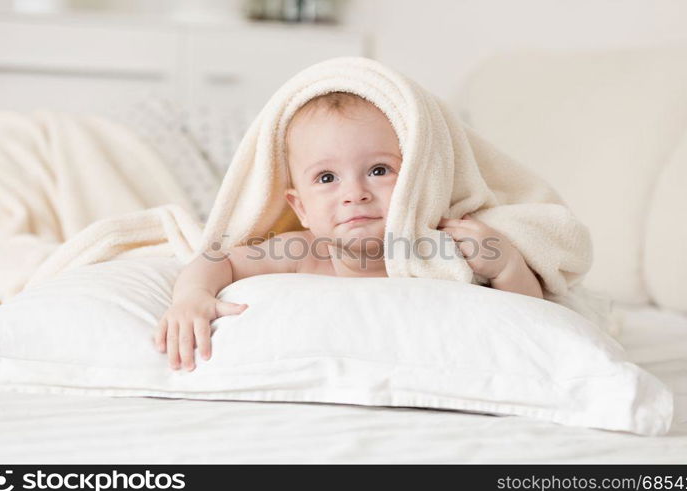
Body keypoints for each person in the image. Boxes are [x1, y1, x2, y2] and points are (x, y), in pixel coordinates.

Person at [153, 92, 543, 371]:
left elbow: (532, 321)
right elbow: (217, 259)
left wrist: (506, 265)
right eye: (326, 177)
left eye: (379, 171)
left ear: (420, 179)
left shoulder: (445, 249)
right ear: (300, 208)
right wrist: (192, 296)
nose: (354, 194)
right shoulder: (302, 251)